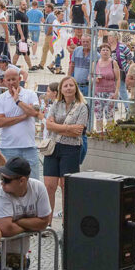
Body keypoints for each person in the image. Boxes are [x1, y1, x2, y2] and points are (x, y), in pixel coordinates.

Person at [42, 76, 88, 215]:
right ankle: (47, 222)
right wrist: (68, 128)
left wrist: (57, 126)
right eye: (65, 86)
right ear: (61, 89)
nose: (68, 88)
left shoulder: (82, 107)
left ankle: (66, 222)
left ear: (75, 88)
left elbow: (78, 130)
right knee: (49, 185)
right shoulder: (56, 104)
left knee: (66, 186)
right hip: (53, 147)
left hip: (71, 148)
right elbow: (48, 125)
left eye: (71, 85)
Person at [0, 67, 42, 182]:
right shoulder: (0, 99)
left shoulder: (30, 94)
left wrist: (18, 101)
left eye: (13, 79)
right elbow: (0, 122)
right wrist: (24, 116)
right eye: (8, 80)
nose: (11, 83)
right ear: (4, 81)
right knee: (8, 182)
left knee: (33, 182)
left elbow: (34, 112)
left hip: (29, 147)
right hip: (8, 147)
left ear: (19, 79)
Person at [90, 43, 120, 133]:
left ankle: (110, 133)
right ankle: (99, 133)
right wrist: (94, 79)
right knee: (98, 115)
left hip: (110, 92)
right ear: (100, 52)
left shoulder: (113, 63)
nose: (105, 52)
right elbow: (90, 77)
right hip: (98, 92)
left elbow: (118, 78)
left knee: (109, 114)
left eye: (107, 50)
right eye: (103, 50)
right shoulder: (95, 63)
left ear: (110, 52)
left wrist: (116, 92)